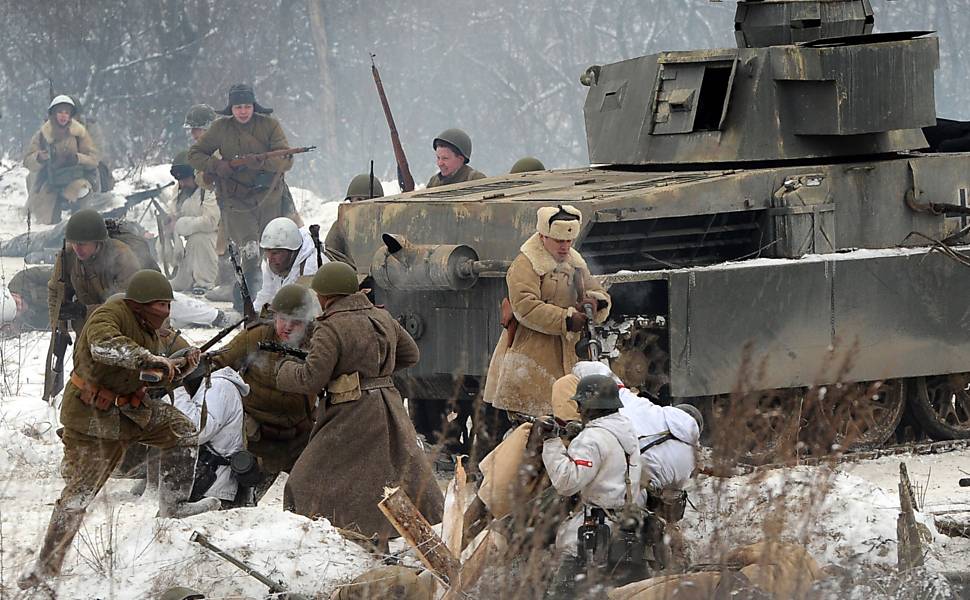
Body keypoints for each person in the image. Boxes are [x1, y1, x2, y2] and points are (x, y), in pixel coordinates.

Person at [18, 271, 217, 591]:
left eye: (168, 304)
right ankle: (45, 568)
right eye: (160, 304)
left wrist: (184, 365)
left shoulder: (154, 331)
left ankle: (173, 505)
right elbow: (103, 346)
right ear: (139, 305)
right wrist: (148, 358)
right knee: (78, 496)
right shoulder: (108, 315)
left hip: (133, 412)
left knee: (183, 431)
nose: (165, 311)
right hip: (91, 419)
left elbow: (162, 365)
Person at [276, 262, 443, 542]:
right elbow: (411, 354)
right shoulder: (382, 317)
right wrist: (379, 374)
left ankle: (312, 536)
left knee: (305, 479)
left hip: (349, 410)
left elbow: (310, 379)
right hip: (388, 405)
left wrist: (283, 370)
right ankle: (414, 525)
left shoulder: (330, 327)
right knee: (398, 469)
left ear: (326, 297)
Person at [483, 204, 611, 417]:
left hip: (568, 354)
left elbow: (596, 290)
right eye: (559, 241)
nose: (565, 247)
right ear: (543, 236)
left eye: (569, 241)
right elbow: (525, 306)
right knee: (529, 427)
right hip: (531, 356)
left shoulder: (575, 262)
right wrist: (567, 320)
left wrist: (596, 303)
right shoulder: (525, 264)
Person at [207, 284, 318, 500]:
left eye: (295, 322)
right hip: (257, 441)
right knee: (236, 506)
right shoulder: (255, 337)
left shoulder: (318, 342)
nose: (286, 327)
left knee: (315, 502)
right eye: (282, 319)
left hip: (299, 438)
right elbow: (218, 363)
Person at [188, 84, 297, 299]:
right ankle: (248, 299)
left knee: (273, 245)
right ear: (232, 108)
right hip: (235, 200)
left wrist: (259, 163)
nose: (243, 111)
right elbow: (195, 154)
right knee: (248, 247)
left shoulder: (270, 125)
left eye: (247, 106)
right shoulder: (220, 128)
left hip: (269, 197)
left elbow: (286, 157)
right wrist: (218, 166)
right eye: (238, 107)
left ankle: (278, 294)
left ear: (253, 106)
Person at [541, 373, 642, 595]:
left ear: (590, 406)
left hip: (593, 532)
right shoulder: (626, 429)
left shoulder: (591, 439)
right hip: (624, 526)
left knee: (561, 594)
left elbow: (566, 483)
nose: (579, 411)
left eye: (581, 405)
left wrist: (550, 442)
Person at [47, 209, 142, 332]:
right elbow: (55, 291)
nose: (77, 248)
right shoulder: (68, 256)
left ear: (97, 241)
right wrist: (59, 329)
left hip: (119, 328)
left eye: (82, 244)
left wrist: (84, 311)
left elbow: (128, 304)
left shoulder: (121, 256)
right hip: (85, 330)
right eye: (74, 243)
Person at [172, 367, 249, 505]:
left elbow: (197, 432)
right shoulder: (212, 387)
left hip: (212, 489)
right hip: (204, 487)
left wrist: (175, 392)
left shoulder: (218, 387)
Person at [23, 95, 101, 225]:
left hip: (73, 181)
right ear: (53, 114)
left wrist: (77, 159)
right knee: (48, 226)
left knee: (83, 194)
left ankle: (80, 225)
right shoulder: (42, 134)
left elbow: (94, 159)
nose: (63, 116)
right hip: (49, 183)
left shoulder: (79, 133)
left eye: (67, 112)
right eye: (60, 112)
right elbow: (27, 160)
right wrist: (38, 157)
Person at [166, 151, 220, 293]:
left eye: (185, 179)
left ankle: (205, 283)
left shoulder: (209, 189)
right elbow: (174, 212)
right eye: (180, 180)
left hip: (214, 239)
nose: (182, 184)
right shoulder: (179, 189)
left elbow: (211, 221)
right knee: (163, 241)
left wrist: (182, 224)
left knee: (198, 239)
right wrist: (170, 223)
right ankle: (183, 279)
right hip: (186, 240)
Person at [251, 217, 324, 313]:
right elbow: (267, 293)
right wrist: (253, 314)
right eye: (267, 251)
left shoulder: (311, 266)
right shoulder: (273, 263)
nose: (270, 257)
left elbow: (315, 309)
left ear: (292, 251)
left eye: (275, 253)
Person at [325, 174, 384, 265]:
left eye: (360, 199)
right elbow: (330, 254)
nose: (354, 203)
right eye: (352, 200)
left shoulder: (387, 224)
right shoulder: (341, 225)